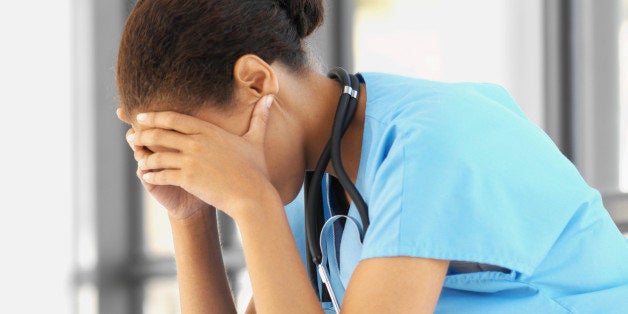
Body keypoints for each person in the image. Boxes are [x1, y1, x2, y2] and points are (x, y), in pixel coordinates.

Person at [115, 0, 628, 313]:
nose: (208, 171)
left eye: (205, 146)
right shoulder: (307, 180)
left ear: (257, 82)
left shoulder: (425, 146)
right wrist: (190, 217)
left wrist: (252, 202)